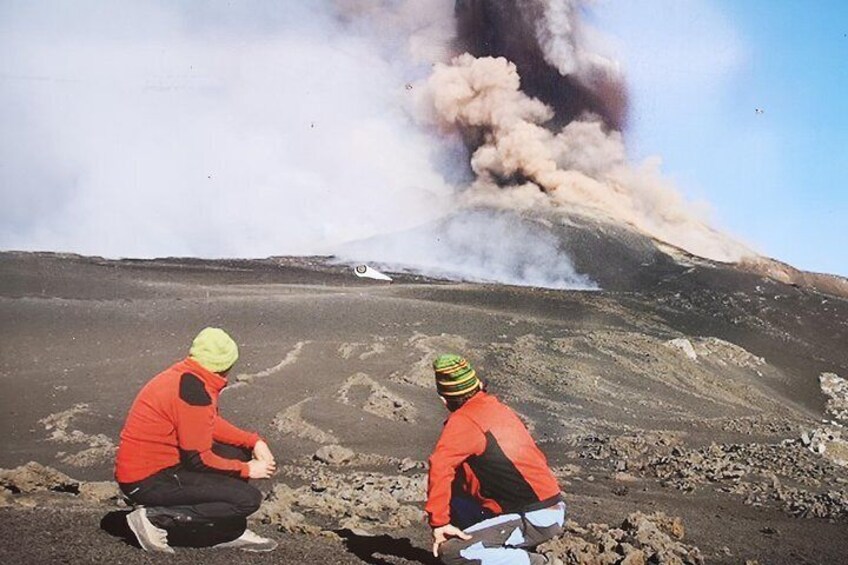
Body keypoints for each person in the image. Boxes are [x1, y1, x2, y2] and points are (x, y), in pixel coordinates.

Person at [114, 327, 277, 553]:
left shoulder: (185, 376)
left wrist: (253, 442)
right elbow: (200, 459)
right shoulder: (193, 391)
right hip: (147, 481)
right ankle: (154, 518)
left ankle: (227, 530)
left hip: (150, 471)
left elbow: (206, 423)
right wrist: (247, 470)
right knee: (247, 500)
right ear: (227, 365)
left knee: (235, 452)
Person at [426, 354, 565, 565]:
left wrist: (439, 523)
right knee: (457, 497)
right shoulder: (497, 409)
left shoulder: (464, 421)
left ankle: (536, 562)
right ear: (479, 385)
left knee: (452, 553)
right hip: (550, 508)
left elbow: (440, 466)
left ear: (444, 400)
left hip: (533, 517)